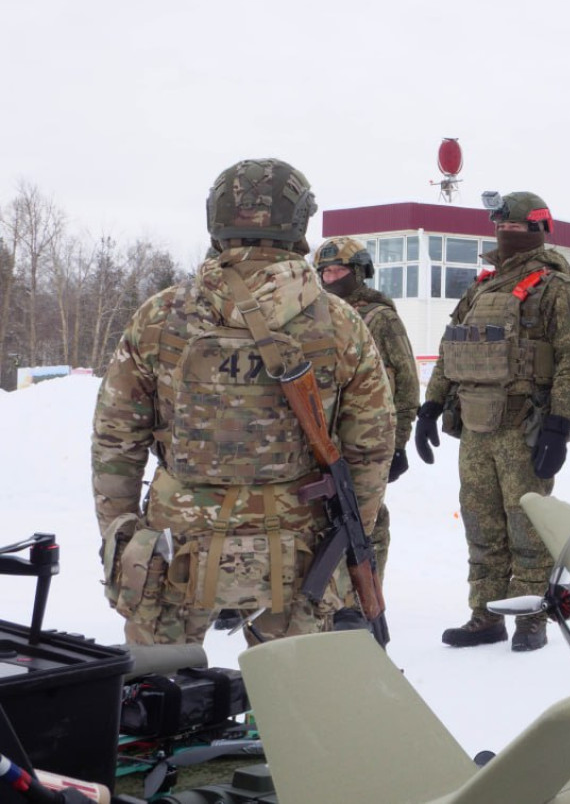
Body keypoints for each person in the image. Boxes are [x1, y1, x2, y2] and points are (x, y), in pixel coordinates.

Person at [93, 158, 394, 645]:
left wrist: (122, 534)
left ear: (218, 219)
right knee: (292, 707)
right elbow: (371, 447)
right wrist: (346, 535)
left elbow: (115, 438)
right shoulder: (340, 323)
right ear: (297, 224)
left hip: (176, 539)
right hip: (298, 544)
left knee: (154, 700)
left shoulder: (159, 316)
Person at [415, 191, 570, 652]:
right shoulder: (480, 288)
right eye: (503, 228)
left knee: (527, 526)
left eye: (517, 228)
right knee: (481, 525)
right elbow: (452, 348)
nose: (507, 235)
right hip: (474, 425)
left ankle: (531, 617)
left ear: (538, 231)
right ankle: (486, 614)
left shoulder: (556, 290)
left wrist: (559, 423)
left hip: (523, 427)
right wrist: (430, 406)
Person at [313, 236, 420, 587]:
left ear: (359, 272)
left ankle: (365, 598)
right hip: (323, 436)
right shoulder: (313, 318)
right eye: (325, 272)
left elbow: (405, 383)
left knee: (367, 523)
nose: (331, 279)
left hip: (367, 439)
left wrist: (399, 443)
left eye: (339, 270)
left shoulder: (380, 318)